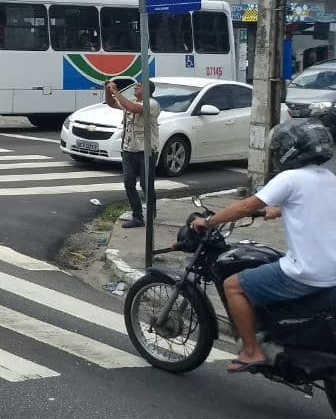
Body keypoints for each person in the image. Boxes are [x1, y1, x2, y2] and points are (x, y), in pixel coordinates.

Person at [192, 118, 336, 374]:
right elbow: (314, 208)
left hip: (307, 274)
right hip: (332, 273)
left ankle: (251, 351)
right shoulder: (328, 177)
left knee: (233, 285)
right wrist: (280, 209)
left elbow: (246, 206)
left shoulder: (289, 178)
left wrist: (210, 221)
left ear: (290, 149)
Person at [105, 78, 159, 228]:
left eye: (139, 86)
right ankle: (137, 216)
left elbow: (134, 108)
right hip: (129, 149)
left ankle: (151, 208)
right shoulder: (129, 101)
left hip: (146, 150)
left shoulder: (152, 104)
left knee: (145, 184)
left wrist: (116, 92)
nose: (136, 87)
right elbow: (111, 103)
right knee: (129, 183)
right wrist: (108, 91)